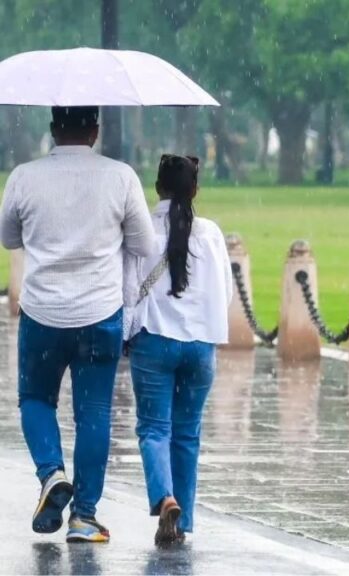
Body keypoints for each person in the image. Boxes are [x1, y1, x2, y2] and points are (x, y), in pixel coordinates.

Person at [0, 106, 157, 543]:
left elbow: (8, 237)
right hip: (99, 313)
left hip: (42, 313)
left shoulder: (24, 176)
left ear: (53, 130)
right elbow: (144, 244)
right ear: (94, 130)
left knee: (35, 398)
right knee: (93, 413)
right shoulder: (120, 176)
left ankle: (51, 473)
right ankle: (85, 516)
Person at [123, 154, 232, 545]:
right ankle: (182, 523)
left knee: (154, 428)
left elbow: (128, 288)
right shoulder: (212, 233)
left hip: (154, 340)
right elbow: (227, 291)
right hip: (201, 346)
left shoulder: (141, 231)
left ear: (157, 188)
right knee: (187, 435)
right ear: (195, 190)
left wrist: (124, 335)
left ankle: (164, 496)